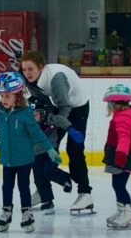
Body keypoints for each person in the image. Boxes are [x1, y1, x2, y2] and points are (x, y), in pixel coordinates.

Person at [0, 72, 62, 233]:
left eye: (7, 96)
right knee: (6, 186)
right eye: (1, 96)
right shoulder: (0, 110)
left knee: (23, 186)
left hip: (24, 159)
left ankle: (27, 213)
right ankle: (6, 212)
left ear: (18, 95)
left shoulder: (25, 113)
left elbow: (37, 133)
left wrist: (50, 150)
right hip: (7, 157)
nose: (3, 99)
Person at [19, 50, 93, 215]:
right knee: (42, 148)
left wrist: (61, 125)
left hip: (77, 108)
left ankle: (85, 193)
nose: (27, 73)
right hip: (57, 107)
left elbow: (65, 107)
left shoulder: (56, 79)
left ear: (40, 67)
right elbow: (42, 101)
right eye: (24, 69)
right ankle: (43, 192)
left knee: (74, 150)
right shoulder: (28, 79)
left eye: (30, 69)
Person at [101, 84, 131, 229]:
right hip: (121, 155)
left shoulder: (122, 118)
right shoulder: (124, 115)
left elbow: (124, 138)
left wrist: (120, 156)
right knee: (118, 185)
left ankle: (128, 212)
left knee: (119, 185)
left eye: (109, 103)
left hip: (122, 157)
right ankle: (122, 211)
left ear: (114, 103)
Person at [27, 89, 73, 215]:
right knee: (39, 179)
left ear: (43, 112)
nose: (33, 116)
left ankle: (65, 179)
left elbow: (61, 120)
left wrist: (70, 129)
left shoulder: (49, 119)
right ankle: (47, 201)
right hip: (35, 155)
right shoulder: (28, 124)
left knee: (48, 171)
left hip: (50, 151)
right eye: (30, 114)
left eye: (36, 113)